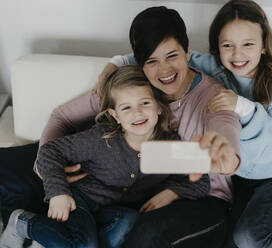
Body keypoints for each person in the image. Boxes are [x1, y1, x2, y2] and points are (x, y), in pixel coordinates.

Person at [1, 5, 241, 248]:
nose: (165, 70)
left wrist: (227, 154)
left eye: (172, 56)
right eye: (152, 61)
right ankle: (35, 228)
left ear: (188, 51)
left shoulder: (207, 101)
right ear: (140, 63)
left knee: (136, 227)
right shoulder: (130, 88)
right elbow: (62, 118)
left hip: (198, 195)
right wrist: (46, 171)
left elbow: (225, 127)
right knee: (14, 168)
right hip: (101, 173)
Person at [98, 1, 272, 248]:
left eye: (248, 44)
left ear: (264, 45)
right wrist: (117, 62)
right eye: (227, 45)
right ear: (217, 48)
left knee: (248, 240)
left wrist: (242, 107)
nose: (238, 55)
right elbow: (160, 53)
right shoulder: (216, 68)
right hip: (243, 178)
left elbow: (270, 151)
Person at [0, 65, 211, 248]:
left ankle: (52, 241)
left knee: (129, 222)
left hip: (115, 212)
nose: (137, 113)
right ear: (115, 116)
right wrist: (58, 193)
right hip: (80, 201)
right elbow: (49, 151)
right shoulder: (101, 139)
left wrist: (172, 192)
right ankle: (22, 222)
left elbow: (201, 178)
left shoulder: (170, 145)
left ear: (158, 106)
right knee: (85, 245)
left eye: (145, 103)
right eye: (126, 108)